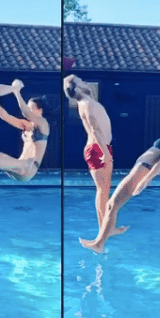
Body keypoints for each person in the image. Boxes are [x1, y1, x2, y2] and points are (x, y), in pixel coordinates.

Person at [79, 105, 160, 254]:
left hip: (142, 170)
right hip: (141, 169)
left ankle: (99, 244)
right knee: (113, 204)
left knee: (112, 204)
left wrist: (144, 182)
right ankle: (108, 232)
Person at [63, 75, 113, 228]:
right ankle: (103, 228)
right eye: (81, 81)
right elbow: (95, 130)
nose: (85, 82)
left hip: (101, 147)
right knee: (102, 190)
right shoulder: (86, 104)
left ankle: (106, 227)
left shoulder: (88, 102)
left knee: (105, 190)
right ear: (77, 88)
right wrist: (105, 153)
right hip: (98, 148)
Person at [0, 88, 50, 181]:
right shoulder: (28, 126)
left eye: (30, 108)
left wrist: (17, 92)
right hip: (19, 166)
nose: (28, 110)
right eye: (28, 108)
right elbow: (5, 116)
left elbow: (26, 113)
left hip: (28, 168)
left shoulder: (43, 124)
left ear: (40, 110)